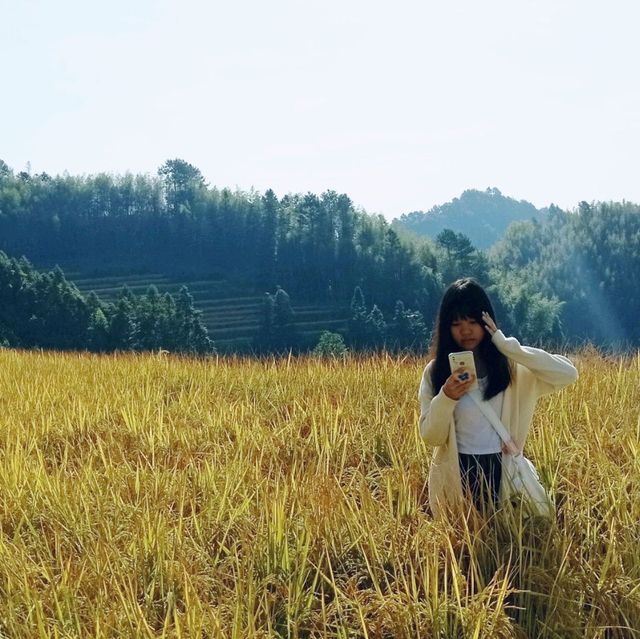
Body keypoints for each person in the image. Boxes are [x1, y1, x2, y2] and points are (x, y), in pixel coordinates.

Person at [418, 278, 578, 517]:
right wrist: (446, 397)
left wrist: (508, 346)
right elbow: (431, 437)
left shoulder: (512, 369)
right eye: (456, 323)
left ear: (487, 321)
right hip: (458, 471)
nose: (465, 330)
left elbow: (567, 374)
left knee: (507, 543)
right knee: (465, 546)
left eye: (473, 321)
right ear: (446, 328)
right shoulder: (436, 372)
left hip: (502, 469)